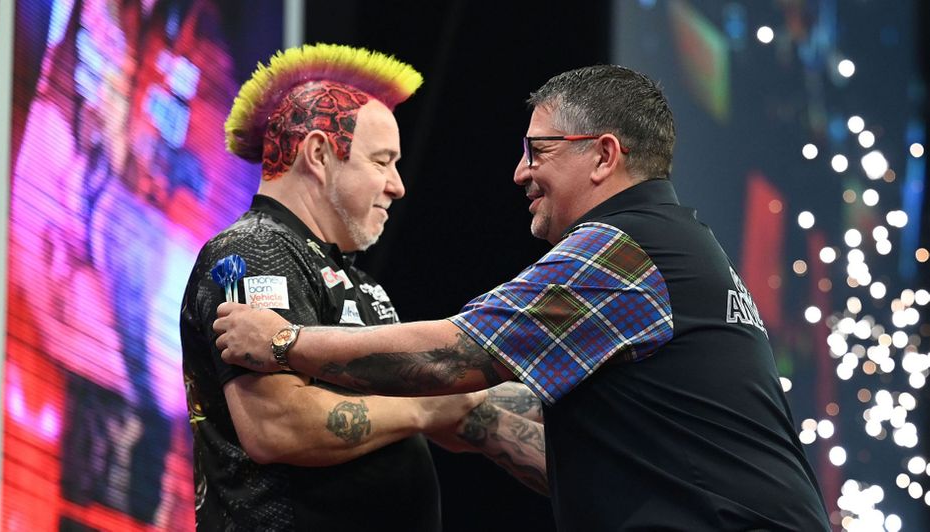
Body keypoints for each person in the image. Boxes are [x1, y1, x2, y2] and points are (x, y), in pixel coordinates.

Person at [213, 64, 831, 531]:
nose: (518, 171)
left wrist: (286, 341)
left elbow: (455, 356)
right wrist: (457, 412)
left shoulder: (621, 250)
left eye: (538, 150)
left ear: (603, 156)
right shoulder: (673, 245)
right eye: (383, 161)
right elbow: (505, 408)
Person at [179, 43, 488, 531]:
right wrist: (426, 406)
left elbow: (465, 410)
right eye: (383, 162)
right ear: (319, 154)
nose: (398, 185)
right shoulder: (254, 251)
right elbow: (276, 425)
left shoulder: (355, 280)